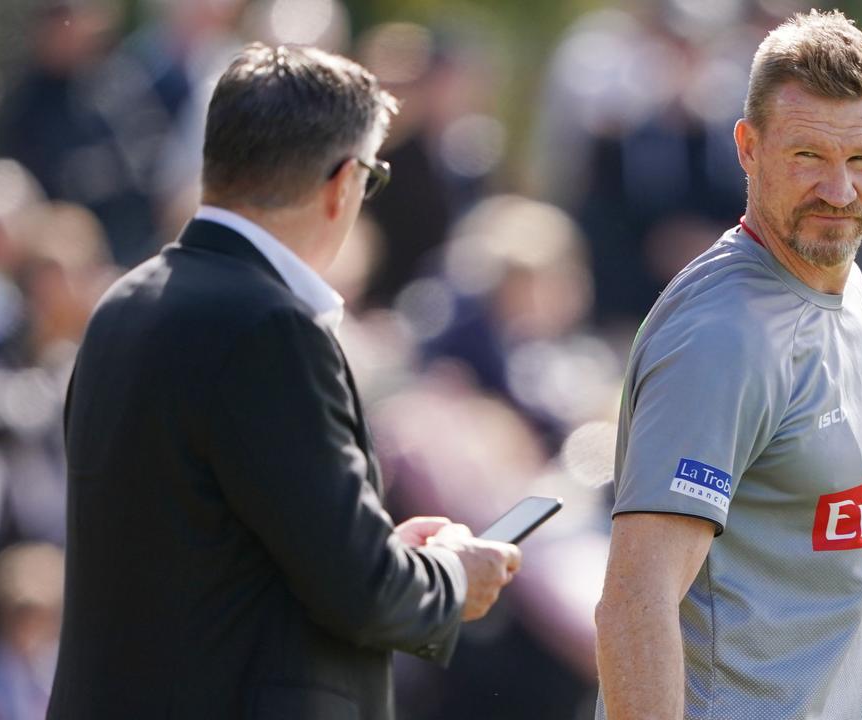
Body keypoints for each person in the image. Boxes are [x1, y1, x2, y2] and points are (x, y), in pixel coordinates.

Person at [48, 43, 521, 720]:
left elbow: (218, 545)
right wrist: (452, 575)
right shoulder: (270, 327)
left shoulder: (124, 303)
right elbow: (360, 591)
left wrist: (381, 550)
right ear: (342, 182)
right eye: (372, 177)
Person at [594, 11, 862, 720]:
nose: (838, 192)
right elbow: (634, 601)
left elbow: (796, 476)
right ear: (749, 147)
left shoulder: (838, 275)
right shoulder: (721, 338)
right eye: (808, 156)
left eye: (861, 160)